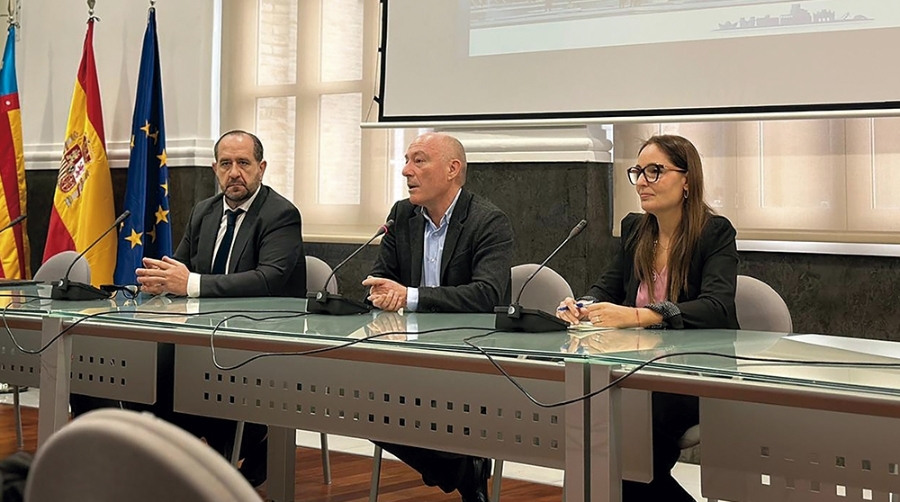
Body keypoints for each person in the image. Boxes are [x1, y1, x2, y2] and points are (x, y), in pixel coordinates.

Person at [558, 134, 739, 501]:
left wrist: (641, 316)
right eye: (638, 171)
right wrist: (581, 305)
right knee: (598, 441)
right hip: (633, 370)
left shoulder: (714, 233)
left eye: (655, 171)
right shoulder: (636, 230)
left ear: (687, 179)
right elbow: (605, 289)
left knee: (629, 453)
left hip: (695, 373)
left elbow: (717, 308)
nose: (642, 181)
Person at [135, 130, 306, 491]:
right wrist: (159, 281)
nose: (234, 173)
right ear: (214, 169)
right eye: (226, 164)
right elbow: (179, 267)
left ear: (261, 168)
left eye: (243, 163)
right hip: (205, 333)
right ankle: (187, 463)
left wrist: (190, 284)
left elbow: (269, 280)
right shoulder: (204, 211)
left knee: (187, 371)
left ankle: (247, 447)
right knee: (152, 364)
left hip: (261, 337)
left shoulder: (280, 214)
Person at [362, 132, 514, 502]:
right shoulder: (402, 215)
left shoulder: (487, 221)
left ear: (452, 169)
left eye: (418, 161)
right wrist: (380, 292)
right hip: (408, 349)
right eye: (406, 160)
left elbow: (487, 295)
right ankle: (460, 469)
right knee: (358, 401)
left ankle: (459, 467)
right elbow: (383, 279)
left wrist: (409, 296)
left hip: (469, 352)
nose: (406, 171)